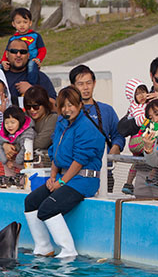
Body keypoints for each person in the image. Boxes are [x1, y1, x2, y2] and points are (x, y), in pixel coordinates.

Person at [23, 86, 105, 258]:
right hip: (63, 176)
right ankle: (44, 247)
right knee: (31, 201)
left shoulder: (87, 128)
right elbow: (56, 153)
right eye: (63, 106)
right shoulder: (62, 123)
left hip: (83, 180)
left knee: (47, 208)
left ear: (80, 105)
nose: (67, 110)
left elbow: (79, 161)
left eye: (71, 105)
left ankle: (68, 251)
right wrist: (52, 178)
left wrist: (62, 182)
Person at [69, 64, 125, 192]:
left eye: (88, 83)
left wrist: (115, 148)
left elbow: (118, 134)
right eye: (80, 84)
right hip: (75, 174)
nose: (85, 88)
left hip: (105, 172)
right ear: (73, 86)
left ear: (94, 83)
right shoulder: (68, 112)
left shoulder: (107, 110)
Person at [0, 8, 46, 85]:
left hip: (31, 60)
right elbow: (7, 52)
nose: (22, 25)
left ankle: (31, 85)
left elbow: (42, 50)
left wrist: (39, 59)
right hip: (16, 61)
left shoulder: (35, 36)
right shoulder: (13, 38)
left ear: (30, 23)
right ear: (13, 24)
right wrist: (3, 60)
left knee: (31, 65)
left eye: (25, 22)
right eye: (18, 22)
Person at [3, 38, 57, 107]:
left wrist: (32, 91)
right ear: (7, 54)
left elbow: (55, 106)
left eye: (23, 52)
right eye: (14, 51)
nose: (18, 55)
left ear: (28, 55)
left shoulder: (39, 77)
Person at [0, 106, 36, 176]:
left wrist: (16, 162)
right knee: (10, 179)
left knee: (25, 183)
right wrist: (5, 161)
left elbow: (25, 148)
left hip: (31, 166)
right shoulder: (5, 133)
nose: (9, 125)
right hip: (13, 165)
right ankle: (9, 180)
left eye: (13, 122)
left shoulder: (28, 132)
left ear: (20, 122)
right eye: (6, 123)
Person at [23, 85, 58, 151]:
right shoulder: (23, 117)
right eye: (28, 107)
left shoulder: (53, 118)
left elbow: (41, 143)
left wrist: (16, 147)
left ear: (45, 104)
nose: (32, 110)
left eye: (36, 107)